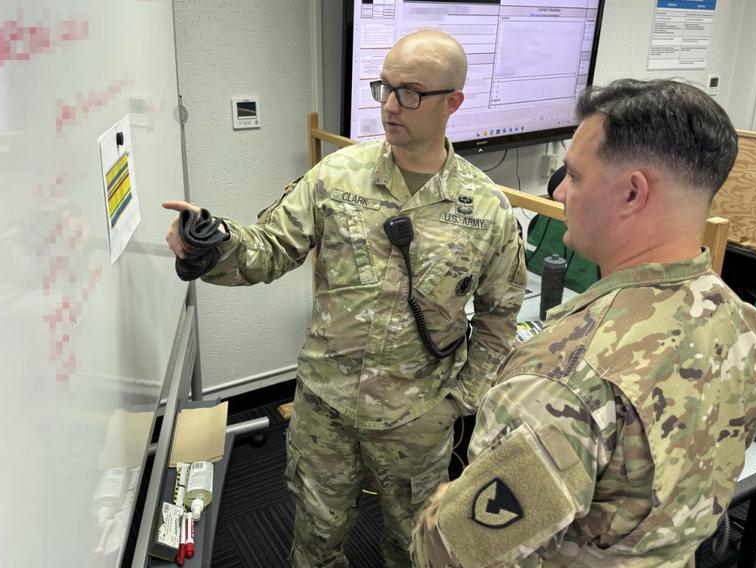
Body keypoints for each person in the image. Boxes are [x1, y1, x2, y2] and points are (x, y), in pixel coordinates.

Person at [163, 30, 526, 568]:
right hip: (324, 410)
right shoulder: (338, 175)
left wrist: (456, 404)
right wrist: (209, 244)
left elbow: (500, 319)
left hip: (417, 420)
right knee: (316, 538)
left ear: (453, 102)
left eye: (411, 92)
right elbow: (269, 249)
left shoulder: (487, 209)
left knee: (415, 549)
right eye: (384, 87)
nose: (389, 105)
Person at [412, 79, 756, 567]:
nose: (561, 190)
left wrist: (443, 506)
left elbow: (452, 555)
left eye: (575, 175)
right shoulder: (747, 324)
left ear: (633, 193)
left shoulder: (562, 376)